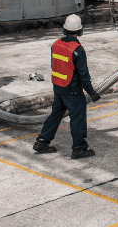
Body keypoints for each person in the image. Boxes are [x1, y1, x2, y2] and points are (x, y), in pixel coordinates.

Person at [34, 14, 101, 159]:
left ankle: (42, 141)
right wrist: (92, 92)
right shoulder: (78, 50)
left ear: (64, 29)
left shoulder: (56, 44)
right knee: (77, 118)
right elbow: (83, 75)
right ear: (80, 31)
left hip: (58, 87)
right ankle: (78, 148)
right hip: (73, 91)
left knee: (56, 114)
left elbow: (56, 65)